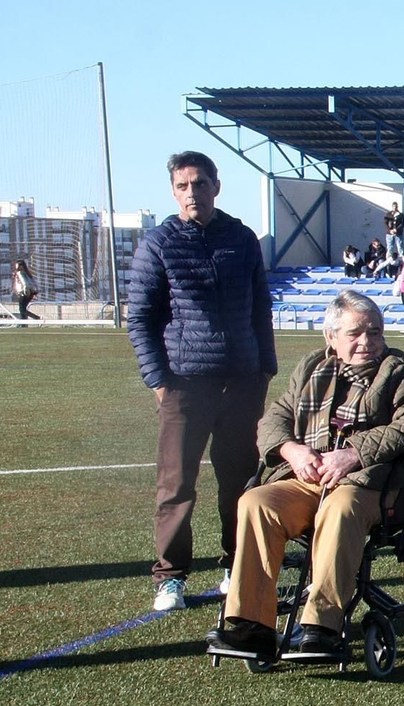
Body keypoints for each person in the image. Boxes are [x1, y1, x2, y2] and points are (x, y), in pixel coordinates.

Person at [208, 292, 404, 659]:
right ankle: (253, 627)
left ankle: (322, 626)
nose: (368, 342)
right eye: (356, 333)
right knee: (255, 502)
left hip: (370, 481)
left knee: (340, 506)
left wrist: (354, 453)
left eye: (375, 332)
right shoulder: (311, 367)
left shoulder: (401, 370)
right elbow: (274, 419)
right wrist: (291, 450)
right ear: (330, 337)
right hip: (308, 477)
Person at [128, 150, 276, 612]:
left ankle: (236, 564)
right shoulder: (158, 243)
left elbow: (260, 308)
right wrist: (158, 380)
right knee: (176, 485)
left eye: (199, 183)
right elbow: (140, 318)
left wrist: (265, 368)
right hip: (184, 385)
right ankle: (170, 577)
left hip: (243, 383)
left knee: (240, 480)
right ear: (174, 191)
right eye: (183, 186)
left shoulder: (242, 237)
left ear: (217, 185)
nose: (192, 192)